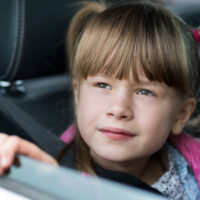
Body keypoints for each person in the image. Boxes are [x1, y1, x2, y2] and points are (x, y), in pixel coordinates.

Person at [0, 1, 200, 199]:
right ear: (78, 97)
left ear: (180, 115)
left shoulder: (189, 167)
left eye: (145, 92)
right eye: (103, 85)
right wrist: (49, 182)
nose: (118, 108)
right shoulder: (59, 177)